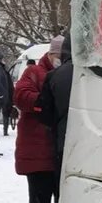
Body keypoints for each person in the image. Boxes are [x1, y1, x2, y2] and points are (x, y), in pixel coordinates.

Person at [14, 36, 61, 203]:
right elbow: (20, 95)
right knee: (40, 198)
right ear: (50, 55)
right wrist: (44, 101)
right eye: (57, 56)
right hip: (37, 149)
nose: (60, 60)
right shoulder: (33, 72)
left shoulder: (71, 73)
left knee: (64, 197)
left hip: (62, 149)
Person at [38, 32, 73, 194]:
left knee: (63, 190)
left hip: (62, 141)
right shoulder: (99, 73)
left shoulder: (55, 75)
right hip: (94, 144)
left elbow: (45, 114)